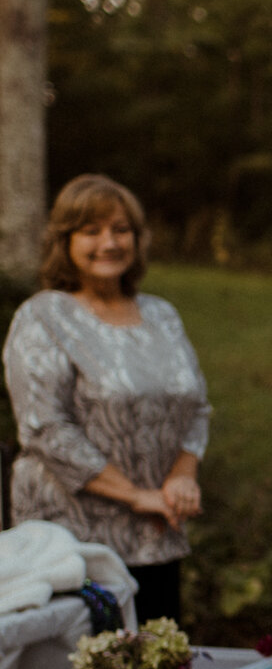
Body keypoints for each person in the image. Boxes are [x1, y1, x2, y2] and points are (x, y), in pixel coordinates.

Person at [3, 174, 211, 627]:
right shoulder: (43, 317)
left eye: (121, 229)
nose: (109, 242)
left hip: (158, 530)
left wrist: (181, 477)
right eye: (91, 231)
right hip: (76, 543)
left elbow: (196, 404)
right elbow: (45, 428)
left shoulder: (160, 314)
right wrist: (138, 496)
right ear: (65, 241)